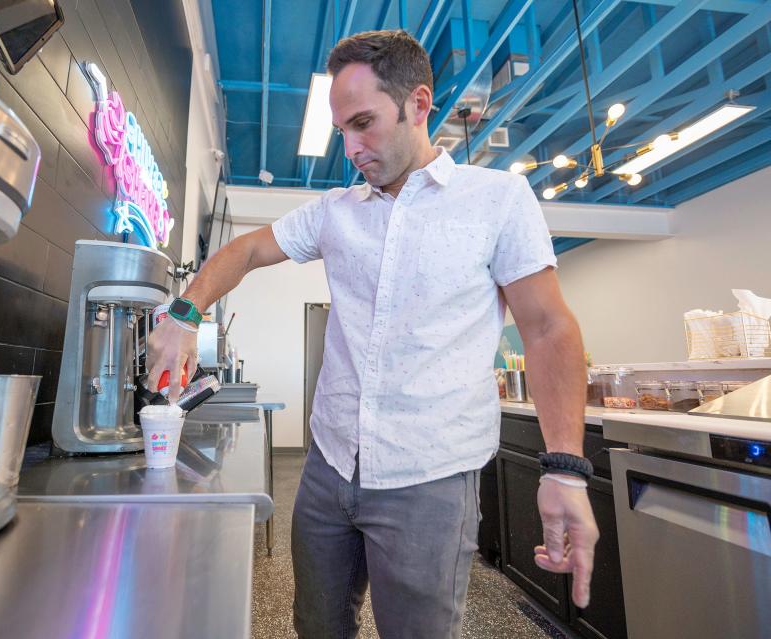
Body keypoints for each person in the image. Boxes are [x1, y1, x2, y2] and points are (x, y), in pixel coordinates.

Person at [147, 29, 598, 639]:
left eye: (364, 123)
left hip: (430, 479)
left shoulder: (496, 199)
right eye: (342, 132)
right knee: (317, 625)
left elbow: (547, 328)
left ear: (419, 104)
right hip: (330, 467)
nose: (352, 148)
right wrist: (184, 314)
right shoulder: (336, 210)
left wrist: (564, 468)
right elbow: (249, 248)